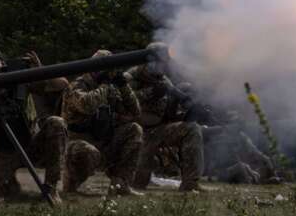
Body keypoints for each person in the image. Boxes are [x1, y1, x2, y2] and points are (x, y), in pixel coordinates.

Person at [0, 48, 67, 204]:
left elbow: (61, 84)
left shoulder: (21, 84)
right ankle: (9, 184)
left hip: (32, 145)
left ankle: (51, 188)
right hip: (6, 153)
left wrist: (40, 69)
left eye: (0, 61)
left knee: (56, 123)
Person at [62, 50, 144, 196]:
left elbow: (135, 112)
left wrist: (124, 87)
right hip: (79, 143)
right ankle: (71, 185)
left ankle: (121, 184)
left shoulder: (111, 87)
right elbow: (86, 105)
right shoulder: (78, 85)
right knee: (87, 151)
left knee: (134, 129)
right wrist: (104, 86)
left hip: (104, 142)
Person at [127, 43, 204, 192]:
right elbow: (121, 102)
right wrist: (149, 92)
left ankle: (190, 183)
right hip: (135, 132)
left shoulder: (163, 80)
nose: (164, 66)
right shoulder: (131, 77)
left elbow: (171, 107)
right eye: (161, 61)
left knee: (192, 129)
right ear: (150, 60)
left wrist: (189, 112)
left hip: (157, 131)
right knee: (137, 183)